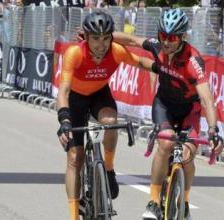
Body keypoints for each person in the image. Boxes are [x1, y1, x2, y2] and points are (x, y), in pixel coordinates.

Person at [113, 8, 224, 219]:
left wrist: (213, 130)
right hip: (164, 105)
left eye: (172, 37)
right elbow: (131, 40)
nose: (166, 41)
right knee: (166, 144)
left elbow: (208, 100)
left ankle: (185, 202)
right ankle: (154, 201)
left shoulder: (193, 61)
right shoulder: (158, 48)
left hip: (189, 109)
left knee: (188, 154)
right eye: (162, 36)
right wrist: (100, 37)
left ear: (182, 37)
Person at [56, 11, 154, 220]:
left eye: (106, 38)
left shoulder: (116, 51)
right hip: (75, 99)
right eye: (96, 39)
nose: (101, 44)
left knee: (110, 122)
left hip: (99, 94)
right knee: (76, 157)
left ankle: (108, 170)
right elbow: (63, 91)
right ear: (86, 38)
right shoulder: (75, 53)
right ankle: (74, 215)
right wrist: (64, 120)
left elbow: (142, 63)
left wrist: (165, 70)